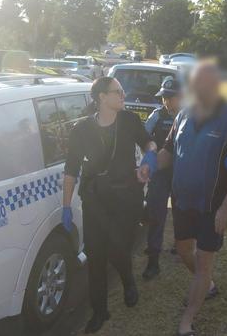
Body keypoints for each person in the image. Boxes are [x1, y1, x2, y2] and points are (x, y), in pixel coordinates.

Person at [156, 62, 227, 336]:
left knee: (204, 261)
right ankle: (207, 284)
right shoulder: (183, 115)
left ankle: (187, 321)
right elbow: (167, 150)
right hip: (182, 201)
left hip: (212, 206)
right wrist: (149, 165)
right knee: (185, 250)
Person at [61, 76, 158, 334]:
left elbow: (149, 142)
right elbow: (71, 169)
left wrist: (149, 155)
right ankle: (100, 312)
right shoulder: (81, 129)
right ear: (102, 97)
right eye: (117, 92)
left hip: (127, 197)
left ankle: (128, 281)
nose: (122, 95)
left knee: (117, 248)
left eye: (122, 91)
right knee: (95, 257)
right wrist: (66, 205)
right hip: (95, 200)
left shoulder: (129, 120)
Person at [142, 77, 183, 280]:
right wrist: (148, 159)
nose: (166, 101)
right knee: (156, 214)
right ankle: (153, 260)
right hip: (160, 173)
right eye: (164, 97)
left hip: (183, 174)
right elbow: (143, 138)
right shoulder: (156, 116)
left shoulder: (191, 116)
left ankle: (181, 245)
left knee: (182, 212)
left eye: (170, 97)